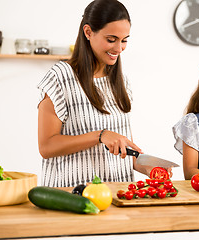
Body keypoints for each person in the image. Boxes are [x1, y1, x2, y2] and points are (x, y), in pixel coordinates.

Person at [37, 0, 163, 187]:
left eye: (124, 40)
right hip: (74, 195)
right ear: (88, 32)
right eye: (111, 40)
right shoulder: (60, 77)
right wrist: (100, 135)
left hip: (116, 195)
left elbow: (122, 148)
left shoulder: (121, 82)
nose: (119, 48)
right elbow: (46, 146)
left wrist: (149, 168)